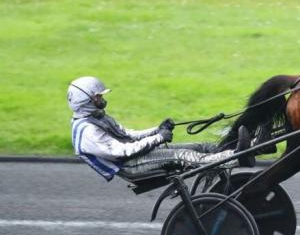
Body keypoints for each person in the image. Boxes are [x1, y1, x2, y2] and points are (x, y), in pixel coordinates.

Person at [67, 76, 252, 181]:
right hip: (131, 165)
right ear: (86, 102)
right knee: (182, 156)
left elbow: (128, 134)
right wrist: (159, 138)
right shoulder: (87, 131)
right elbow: (122, 152)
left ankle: (250, 146)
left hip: (137, 156)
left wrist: (158, 129)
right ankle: (236, 158)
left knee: (201, 147)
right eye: (97, 97)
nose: (102, 99)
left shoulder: (97, 117)